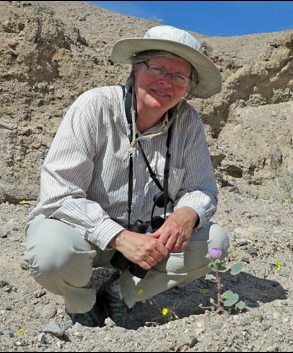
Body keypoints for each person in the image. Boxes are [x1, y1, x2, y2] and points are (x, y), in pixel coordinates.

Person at [24, 25, 230, 329]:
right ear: (136, 69)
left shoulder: (189, 122)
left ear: (188, 86)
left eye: (178, 76)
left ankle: (121, 293)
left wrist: (187, 213)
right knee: (51, 251)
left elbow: (201, 188)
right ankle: (81, 300)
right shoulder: (95, 107)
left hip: (149, 241)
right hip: (83, 234)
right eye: (157, 68)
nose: (166, 82)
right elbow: (59, 194)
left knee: (215, 241)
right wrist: (118, 236)